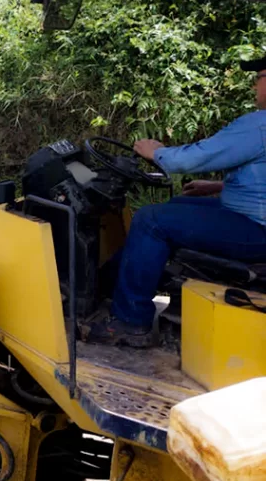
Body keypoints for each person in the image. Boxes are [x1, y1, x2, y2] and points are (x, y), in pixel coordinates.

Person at [87, 56, 266, 346]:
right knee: (172, 209)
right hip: (252, 215)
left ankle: (130, 322)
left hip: (257, 228)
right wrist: (217, 186)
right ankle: (108, 286)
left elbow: (197, 156)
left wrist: (156, 152)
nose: (255, 85)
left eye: (259, 78)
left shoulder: (259, 126)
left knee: (150, 220)